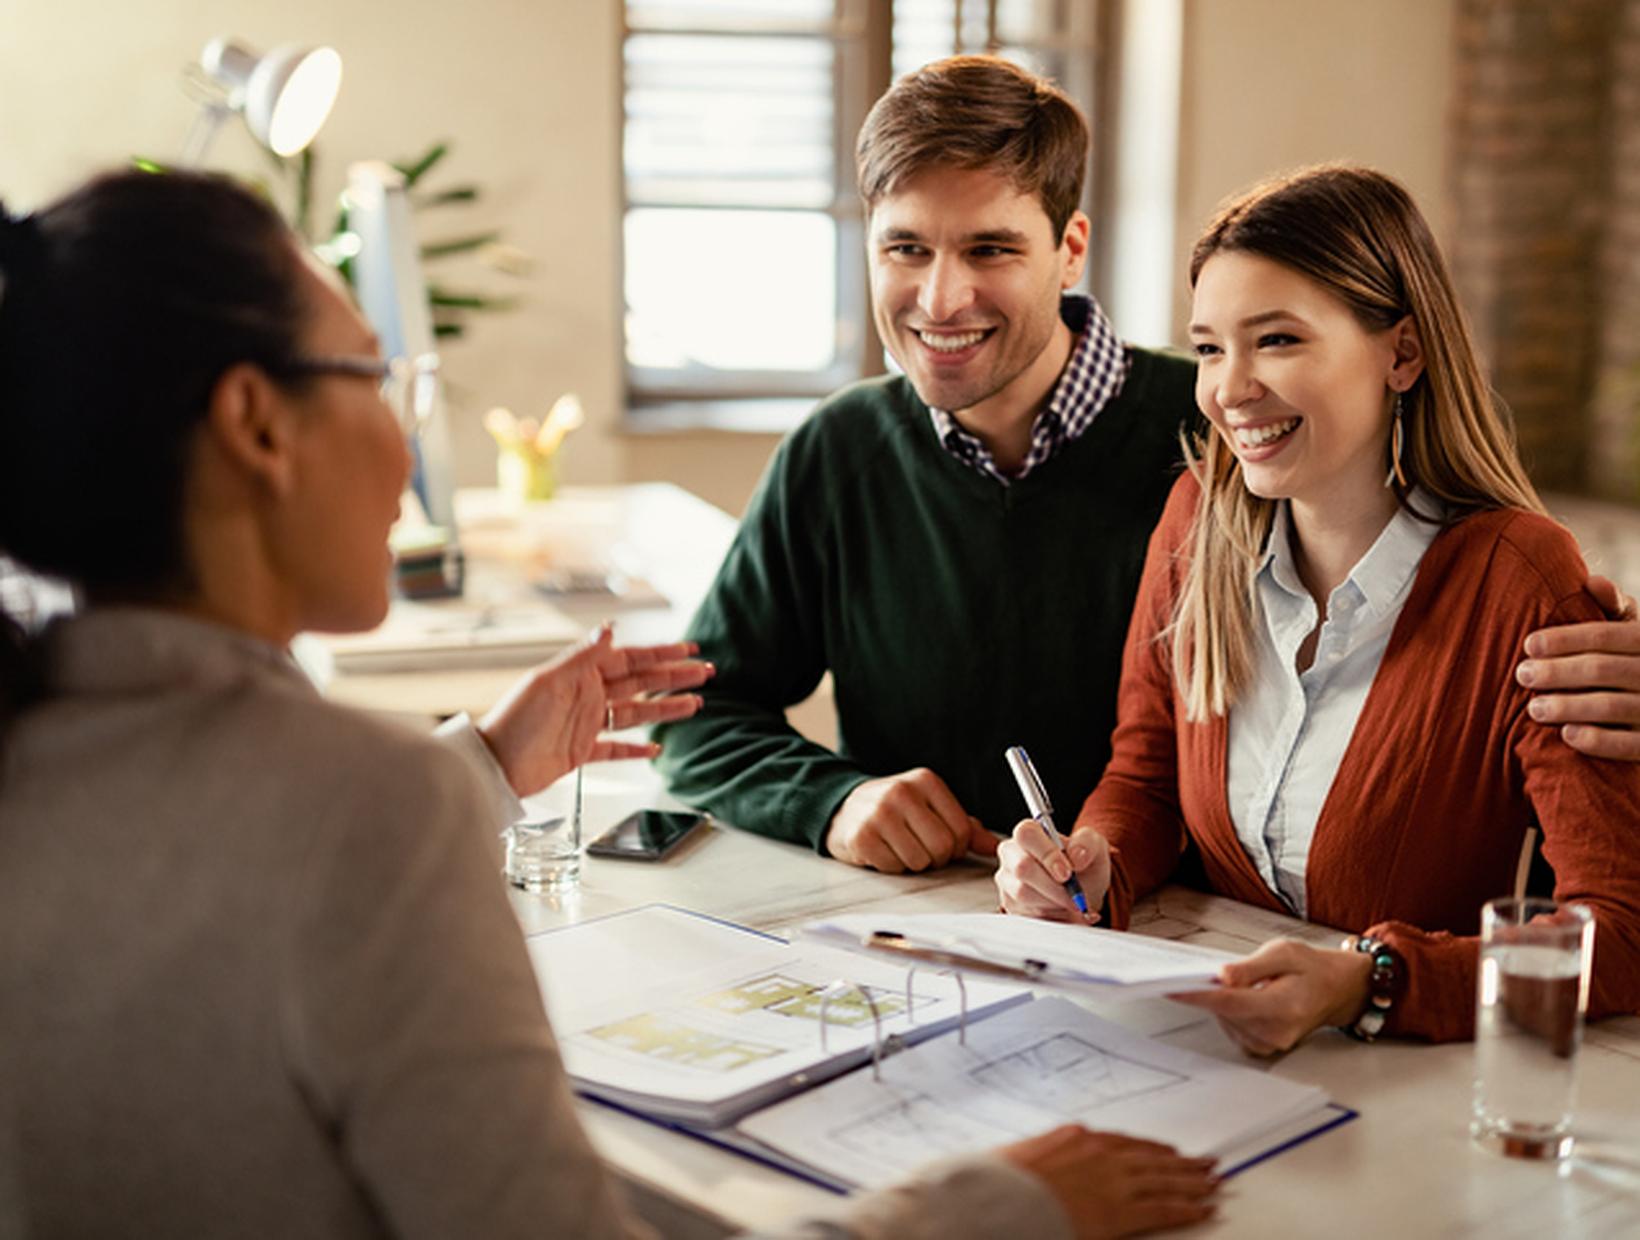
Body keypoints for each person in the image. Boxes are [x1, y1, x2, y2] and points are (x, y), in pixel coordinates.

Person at [0, 168, 1220, 1238]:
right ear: (256, 426)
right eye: (375, 374)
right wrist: (993, 1209)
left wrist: (478, 762)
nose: (405, 435)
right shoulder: (370, 807)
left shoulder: (40, 737)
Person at [656, 55, 1640, 876]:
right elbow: (698, 712)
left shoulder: (1234, 439)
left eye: (990, 249)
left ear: (1068, 248)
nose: (939, 297)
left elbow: (1463, 585)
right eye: (902, 248)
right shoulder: (838, 453)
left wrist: (1592, 648)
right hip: (930, 932)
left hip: (1198, 936)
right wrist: (834, 799)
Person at [994, 164, 1640, 1050]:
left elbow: (1619, 933)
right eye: (1212, 347)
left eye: (1279, 341)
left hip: (1410, 1090)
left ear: (1402, 353)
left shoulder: (1521, 579)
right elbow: (1144, 782)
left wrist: (1369, 982)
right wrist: (1095, 863)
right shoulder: (1198, 524)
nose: (1230, 388)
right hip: (1203, 1052)